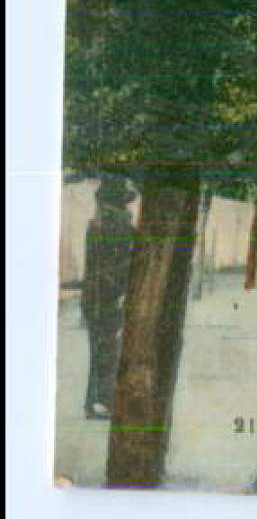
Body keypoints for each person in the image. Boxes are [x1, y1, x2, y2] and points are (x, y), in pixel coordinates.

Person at [82, 177, 136, 419]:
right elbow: (111, 267)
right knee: (107, 350)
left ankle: (94, 402)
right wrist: (119, 292)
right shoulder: (114, 226)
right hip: (107, 297)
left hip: (96, 297)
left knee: (100, 350)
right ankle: (102, 401)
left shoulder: (97, 224)